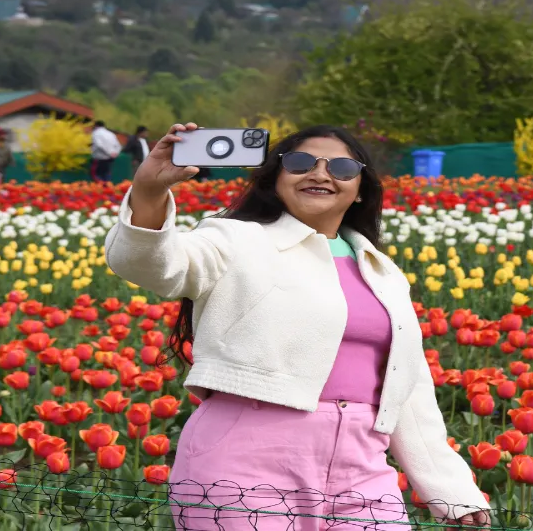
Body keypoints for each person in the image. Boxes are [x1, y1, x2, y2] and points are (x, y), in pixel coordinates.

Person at [104, 123, 491, 530]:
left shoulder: (381, 271)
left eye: (341, 167)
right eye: (302, 163)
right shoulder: (235, 240)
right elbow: (150, 265)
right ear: (275, 179)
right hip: (245, 461)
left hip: (362, 468)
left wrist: (450, 489)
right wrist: (149, 190)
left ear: (360, 188)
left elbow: (407, 388)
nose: (320, 174)